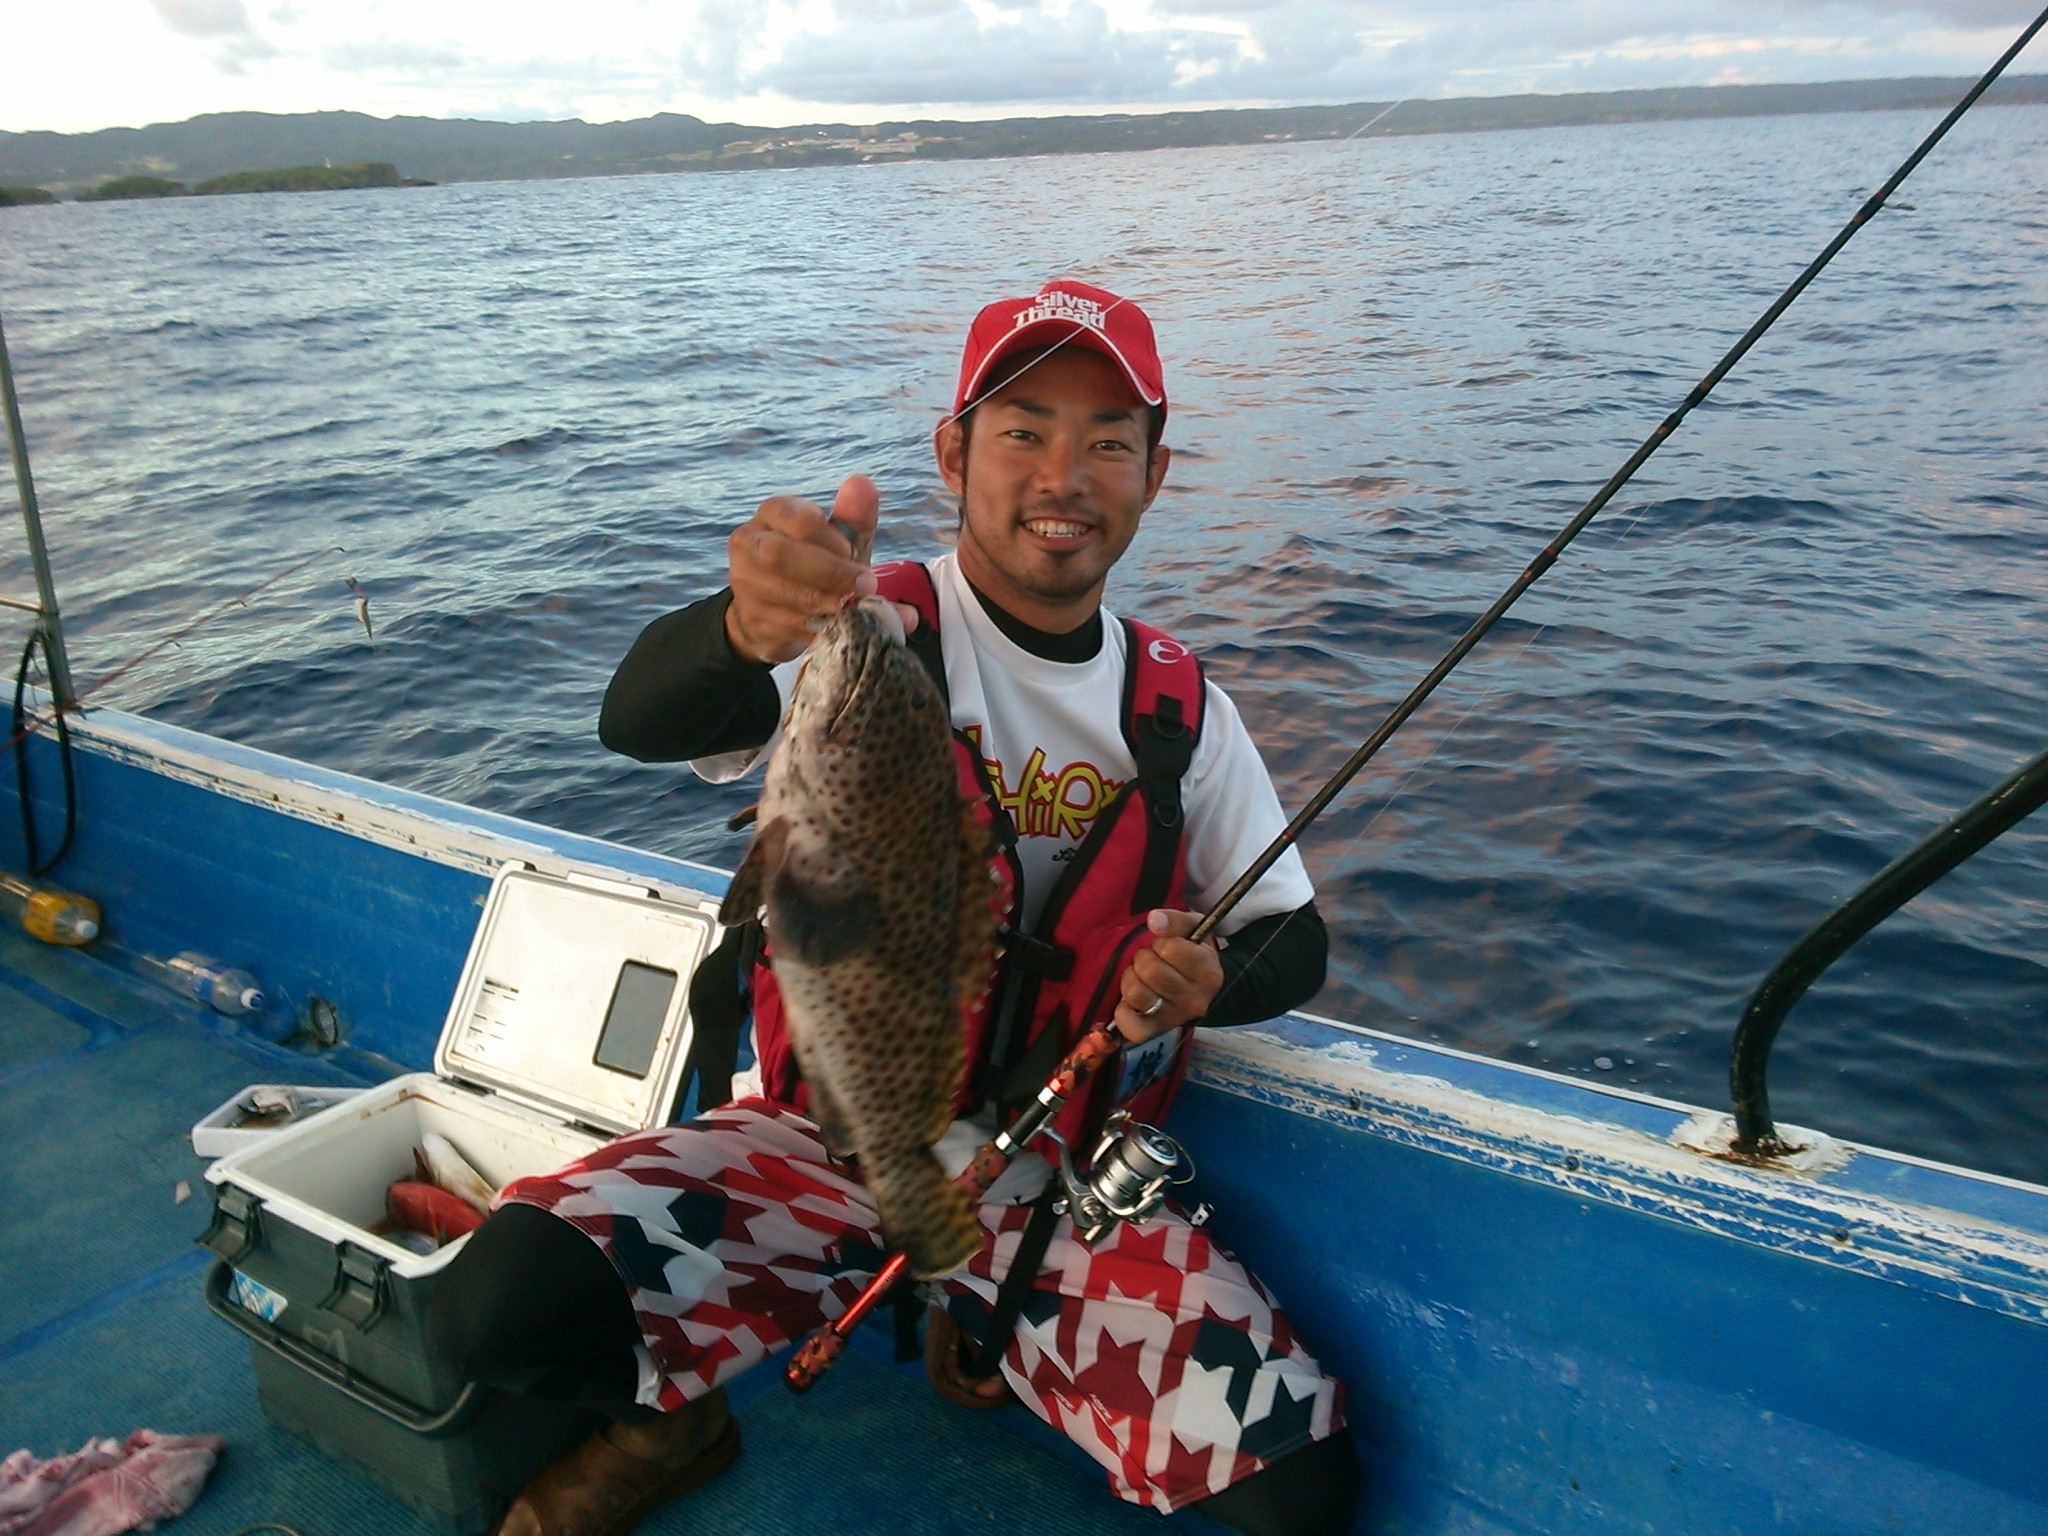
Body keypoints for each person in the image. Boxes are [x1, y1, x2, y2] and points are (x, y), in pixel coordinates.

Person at [435, 280, 1361, 1536]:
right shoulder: (859, 635)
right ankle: (674, 1416)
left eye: (1106, 442)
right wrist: (737, 629)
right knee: (499, 1304)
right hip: (819, 1134)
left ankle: (982, 1311)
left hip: (1054, 1176)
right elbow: (641, 718)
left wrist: (1208, 979)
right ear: (953, 452)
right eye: (1022, 430)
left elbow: (1290, 937)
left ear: (1153, 472)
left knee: (1301, 1491)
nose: (1063, 474)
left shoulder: (1180, 710)